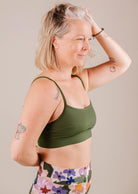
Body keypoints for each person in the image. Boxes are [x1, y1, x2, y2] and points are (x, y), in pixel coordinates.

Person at [10, 3, 132, 194]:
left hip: (81, 186)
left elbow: (123, 62)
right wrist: (53, 166)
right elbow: (19, 153)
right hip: (55, 188)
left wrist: (94, 26)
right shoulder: (46, 88)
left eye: (89, 39)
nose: (86, 46)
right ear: (55, 41)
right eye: (79, 39)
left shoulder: (80, 80)